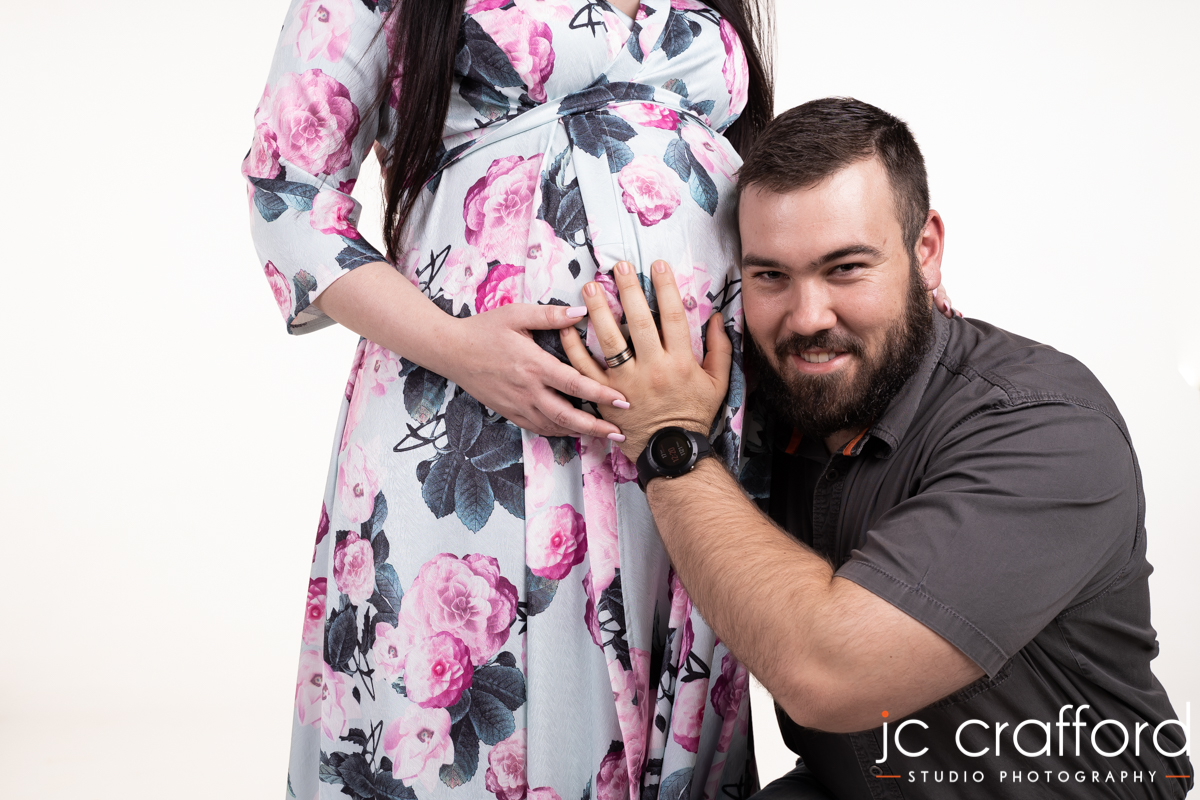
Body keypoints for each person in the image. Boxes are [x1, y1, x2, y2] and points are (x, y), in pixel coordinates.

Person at [240, 1, 814, 798]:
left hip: (698, 425)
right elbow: (288, 191)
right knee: (475, 713)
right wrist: (461, 351)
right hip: (478, 427)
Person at [562, 98, 1193, 799]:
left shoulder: (1045, 429)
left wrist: (671, 443)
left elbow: (830, 674)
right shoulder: (765, 411)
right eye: (771, 276)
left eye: (846, 268)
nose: (808, 318)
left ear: (926, 252)